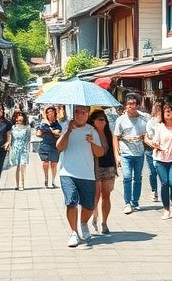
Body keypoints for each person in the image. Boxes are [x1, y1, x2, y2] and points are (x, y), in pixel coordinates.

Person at [55, 104, 104, 247]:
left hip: (87, 174)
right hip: (67, 172)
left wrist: (92, 142)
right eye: (77, 112)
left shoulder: (91, 130)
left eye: (84, 112)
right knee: (71, 201)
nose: (80, 115)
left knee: (89, 206)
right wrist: (68, 131)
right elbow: (59, 147)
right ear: (73, 112)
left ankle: (83, 223)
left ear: (88, 114)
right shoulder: (66, 127)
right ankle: (74, 233)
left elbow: (100, 153)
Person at [147, 102, 172, 219]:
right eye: (166, 111)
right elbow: (155, 141)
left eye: (170, 110)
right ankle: (166, 209)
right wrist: (155, 144)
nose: (168, 113)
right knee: (165, 183)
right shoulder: (159, 127)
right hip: (160, 160)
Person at [113, 92, 147, 214]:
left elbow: (148, 134)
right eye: (128, 104)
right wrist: (117, 155)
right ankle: (127, 202)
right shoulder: (121, 120)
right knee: (127, 177)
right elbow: (115, 137)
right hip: (125, 153)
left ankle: (135, 202)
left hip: (139, 153)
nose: (130, 106)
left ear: (137, 105)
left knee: (138, 178)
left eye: (133, 104)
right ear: (125, 106)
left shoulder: (144, 119)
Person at [88, 109, 117, 234]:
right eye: (100, 119)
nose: (103, 121)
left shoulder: (108, 133)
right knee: (96, 194)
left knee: (106, 194)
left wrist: (116, 164)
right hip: (95, 166)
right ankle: (94, 216)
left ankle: (104, 222)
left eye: (104, 119)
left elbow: (112, 149)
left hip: (108, 165)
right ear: (93, 121)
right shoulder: (90, 133)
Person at [36, 106, 63, 188]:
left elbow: (58, 133)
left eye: (51, 111)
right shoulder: (42, 124)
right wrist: (49, 131)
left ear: (55, 113)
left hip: (54, 146)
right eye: (48, 112)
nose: (50, 113)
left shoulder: (57, 124)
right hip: (45, 145)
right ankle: (46, 179)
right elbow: (38, 133)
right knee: (45, 163)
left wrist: (48, 130)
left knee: (54, 164)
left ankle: (53, 181)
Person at [7, 110, 32, 190]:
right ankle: (17, 185)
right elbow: (11, 139)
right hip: (15, 149)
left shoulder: (27, 128)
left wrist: (28, 148)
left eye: (20, 118)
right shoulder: (13, 128)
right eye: (17, 118)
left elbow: (28, 139)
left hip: (23, 149)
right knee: (17, 167)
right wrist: (9, 147)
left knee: (23, 166)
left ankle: (22, 184)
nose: (18, 120)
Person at [144, 100, 163, 203]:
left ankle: (163, 191)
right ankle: (154, 190)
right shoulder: (151, 122)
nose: (159, 110)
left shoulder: (167, 121)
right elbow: (149, 136)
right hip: (151, 150)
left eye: (161, 108)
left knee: (162, 171)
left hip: (164, 150)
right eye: (157, 108)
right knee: (153, 172)